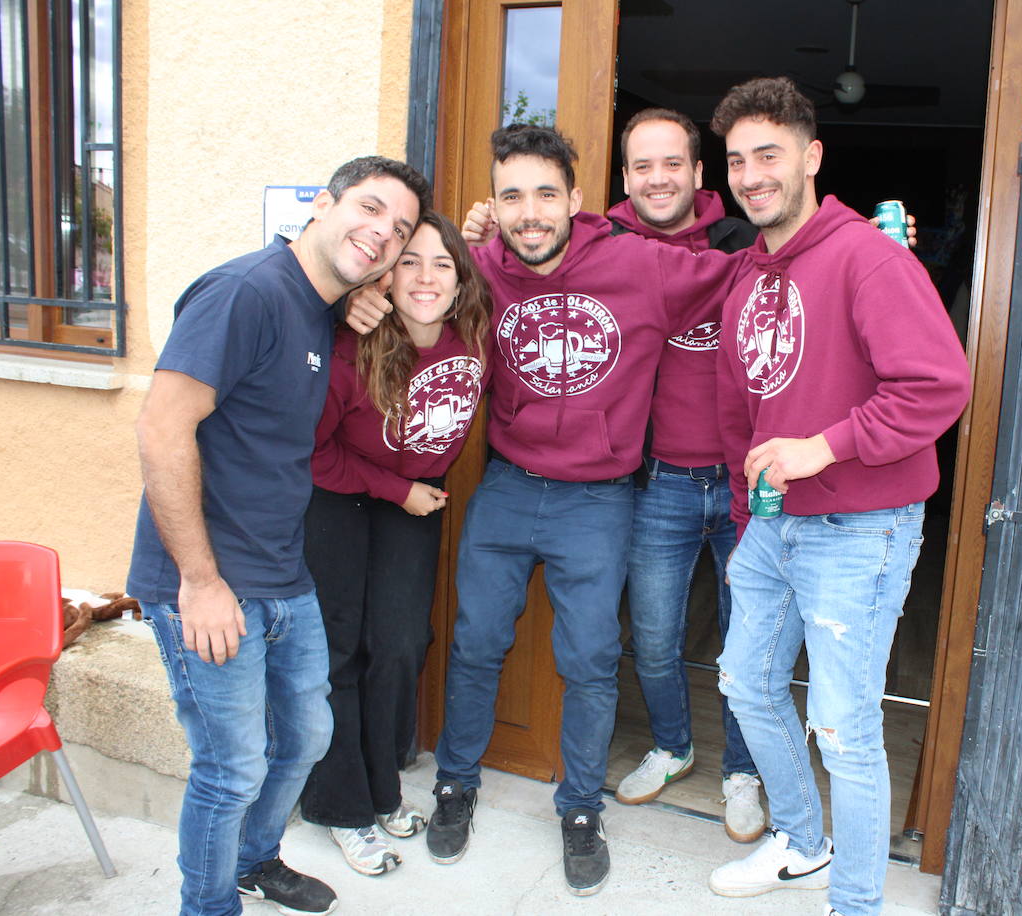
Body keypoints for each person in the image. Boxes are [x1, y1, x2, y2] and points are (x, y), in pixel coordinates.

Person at [349, 123, 741, 897]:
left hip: (598, 501)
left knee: (590, 661)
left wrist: (866, 244)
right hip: (507, 488)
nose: (529, 213)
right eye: (512, 196)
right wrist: (362, 295)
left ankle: (582, 808)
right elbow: (406, 283)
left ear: (576, 199)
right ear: (494, 204)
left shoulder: (641, 264)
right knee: (475, 644)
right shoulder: (478, 268)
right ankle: (455, 783)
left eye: (545, 194)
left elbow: (754, 272)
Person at [128, 156, 428, 916]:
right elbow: (162, 431)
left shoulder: (317, 305)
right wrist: (200, 583)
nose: (382, 234)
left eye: (398, 230)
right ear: (322, 204)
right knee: (231, 767)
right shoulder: (244, 292)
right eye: (369, 209)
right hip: (208, 581)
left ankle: (255, 860)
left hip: (283, 574)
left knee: (304, 739)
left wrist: (359, 299)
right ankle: (208, 905)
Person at [705, 78, 970, 916]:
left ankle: (855, 903)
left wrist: (822, 447)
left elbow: (937, 386)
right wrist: (747, 521)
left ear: (812, 156)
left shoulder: (868, 257)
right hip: (773, 528)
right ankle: (802, 843)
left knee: (843, 728)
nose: (752, 175)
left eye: (769, 155)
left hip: (862, 527)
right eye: (737, 160)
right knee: (747, 686)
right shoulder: (747, 276)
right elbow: (742, 413)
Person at [298, 209, 492, 877]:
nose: (426, 277)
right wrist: (396, 489)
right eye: (409, 262)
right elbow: (314, 452)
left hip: (413, 500)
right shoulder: (353, 346)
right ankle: (340, 807)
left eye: (442, 263)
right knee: (339, 652)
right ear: (385, 275)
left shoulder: (474, 337)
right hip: (339, 497)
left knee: (402, 644)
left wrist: (488, 224)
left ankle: (382, 787)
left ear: (463, 279)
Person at [603, 108, 766, 844]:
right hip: (656, 482)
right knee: (655, 639)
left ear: (700, 173)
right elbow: (523, 262)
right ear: (625, 177)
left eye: (673, 163)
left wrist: (886, 242)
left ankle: (742, 771)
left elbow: (829, 261)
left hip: (744, 483)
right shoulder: (601, 247)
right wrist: (479, 230)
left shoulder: (747, 241)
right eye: (642, 166)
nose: (658, 178)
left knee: (746, 639)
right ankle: (673, 747)